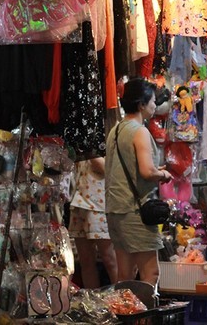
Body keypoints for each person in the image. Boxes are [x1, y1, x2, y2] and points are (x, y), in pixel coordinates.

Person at [105, 78, 173, 286]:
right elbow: (146, 171)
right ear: (141, 104)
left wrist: (154, 170)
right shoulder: (139, 131)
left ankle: (125, 307)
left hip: (115, 209)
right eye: (152, 101)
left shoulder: (116, 130)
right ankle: (145, 309)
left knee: (125, 275)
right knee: (150, 273)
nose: (155, 105)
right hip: (135, 210)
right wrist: (163, 174)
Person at [69, 156, 118, 289]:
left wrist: (89, 152)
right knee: (85, 260)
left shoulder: (107, 145)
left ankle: (123, 296)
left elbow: (105, 168)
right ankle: (91, 298)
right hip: (79, 202)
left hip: (98, 203)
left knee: (109, 258)